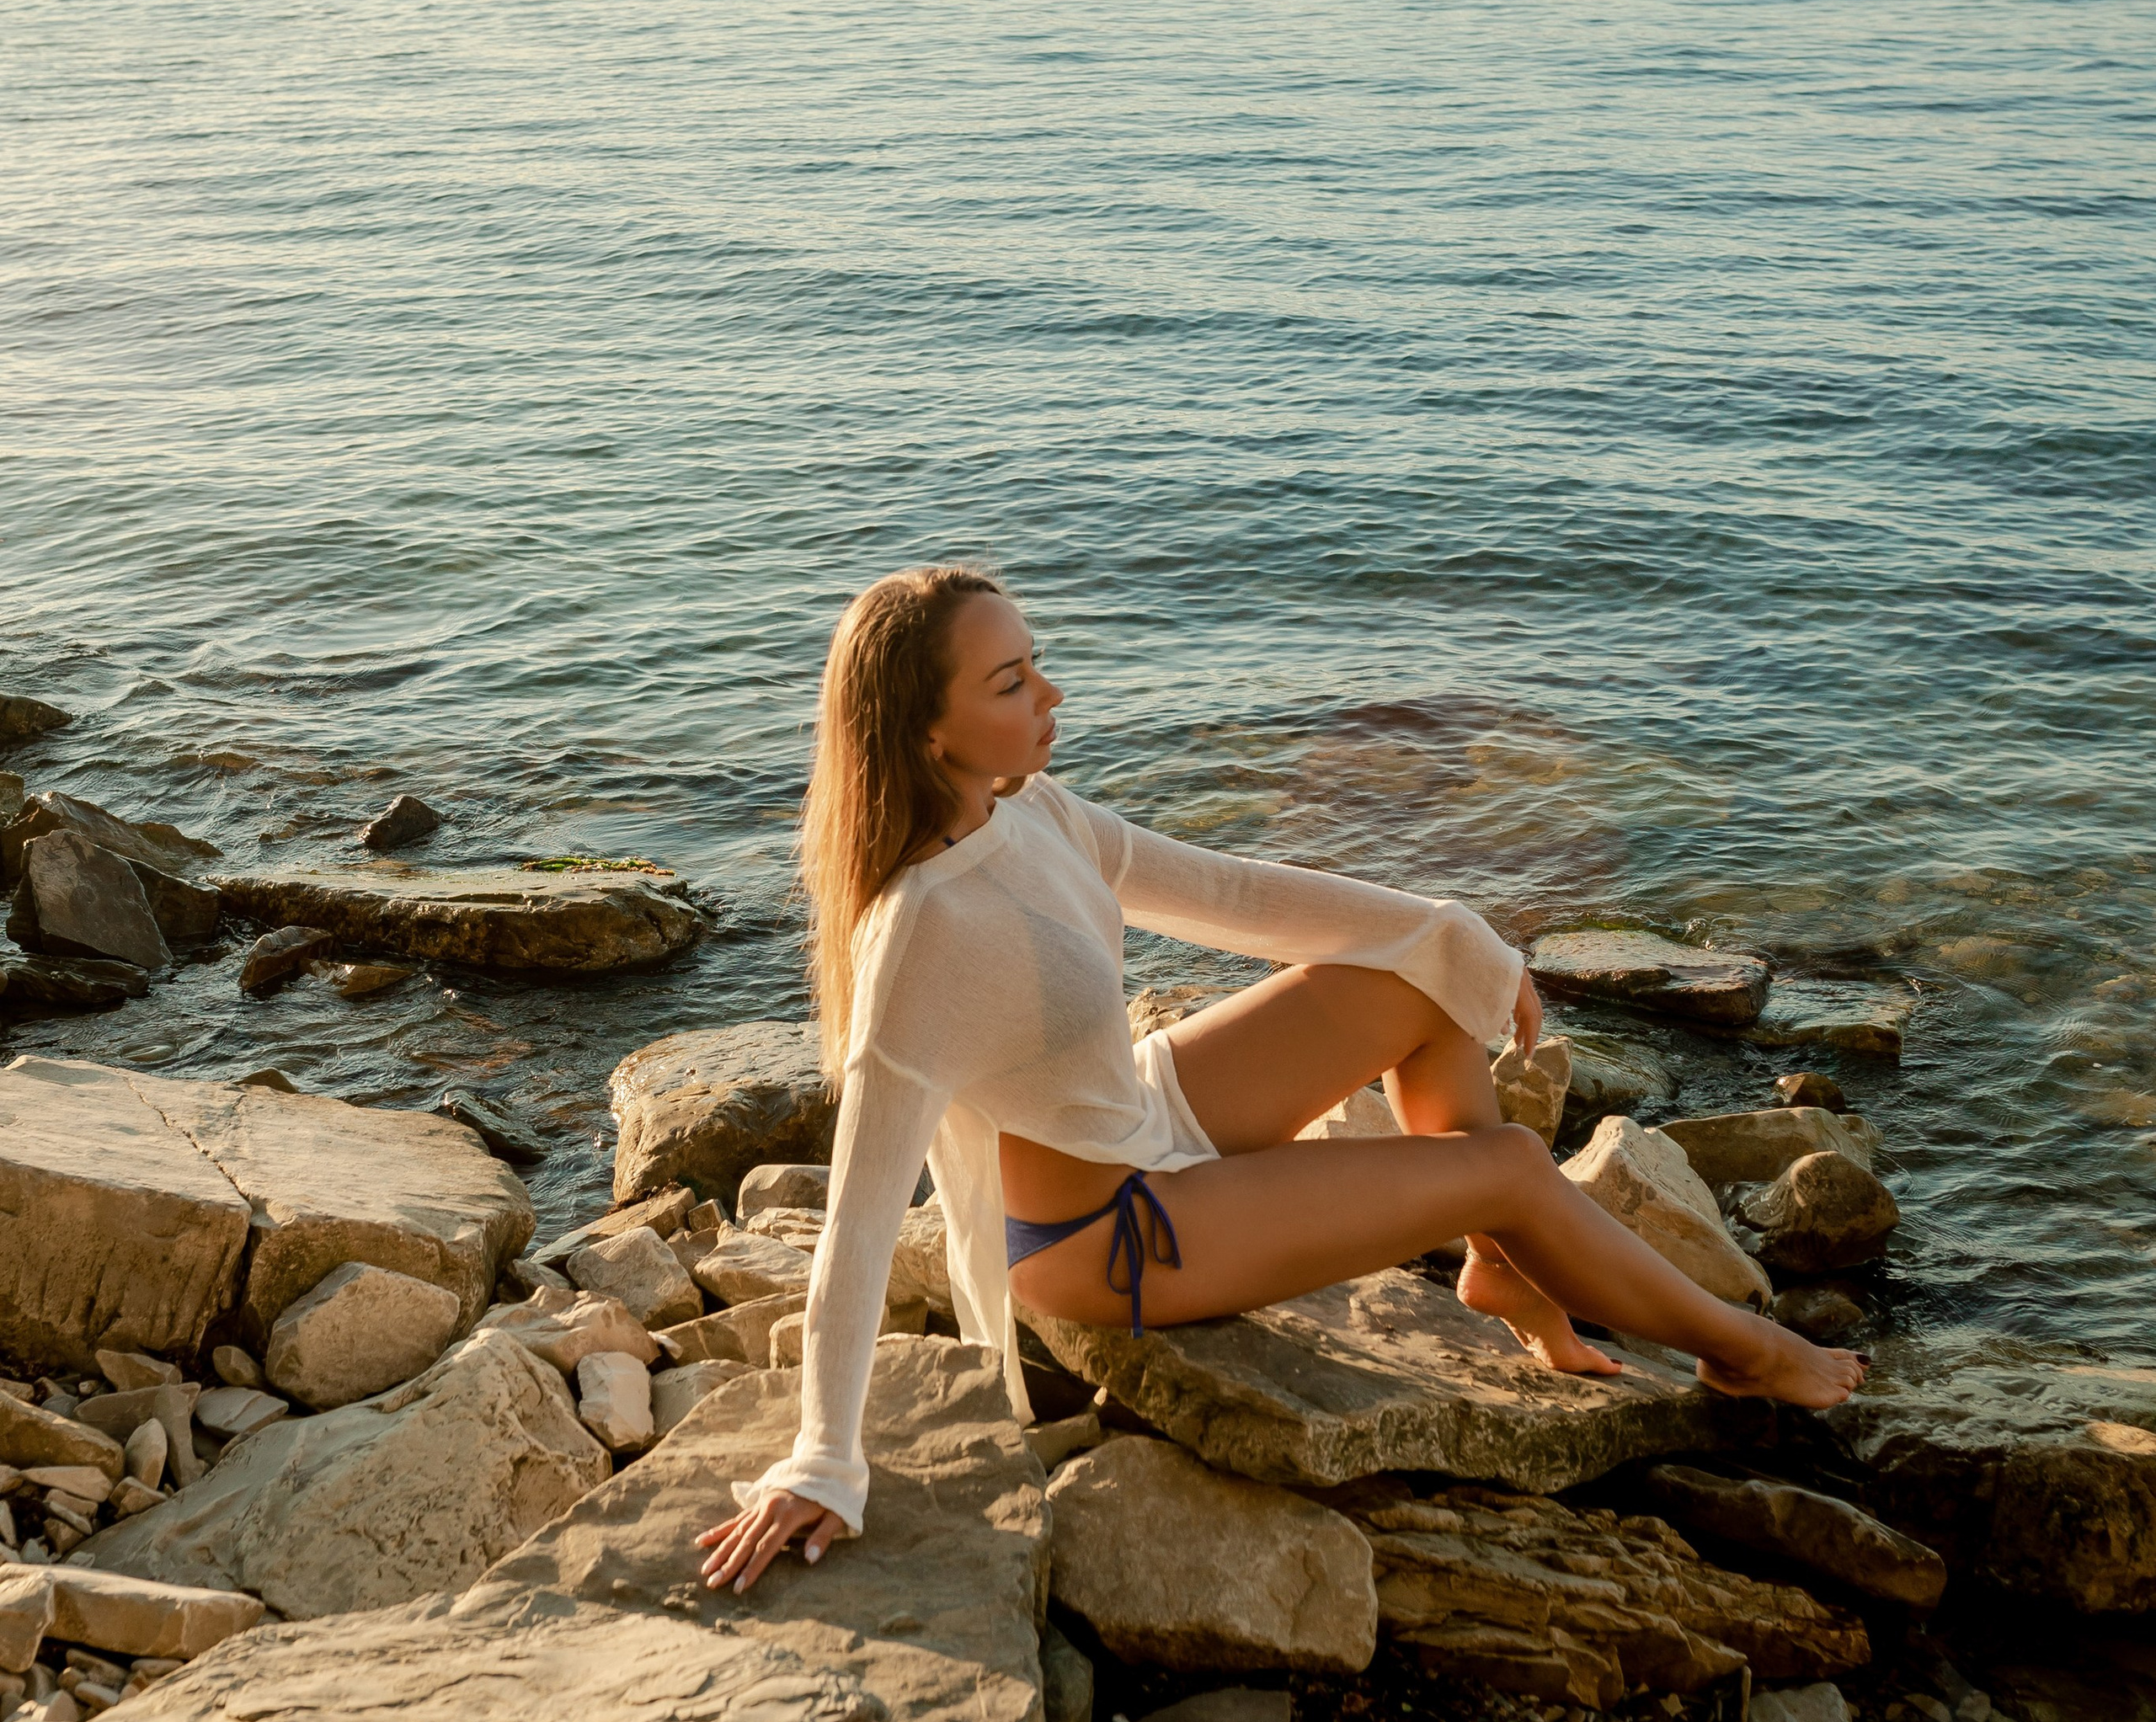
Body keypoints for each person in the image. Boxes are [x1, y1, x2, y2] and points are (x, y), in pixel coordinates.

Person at [697, 568, 1864, 1597]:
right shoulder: (922, 936)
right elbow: (854, 1221)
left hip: (1153, 1112)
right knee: (1505, 1165)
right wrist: (823, 1462)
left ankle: (1502, 1275)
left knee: (1421, 974)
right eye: (1010, 685)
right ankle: (1738, 1349)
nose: (1048, 697)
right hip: (1110, 1233)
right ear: (927, 733)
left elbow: (1239, 898)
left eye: (1036, 665)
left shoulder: (1039, 814)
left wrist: (1460, 934)